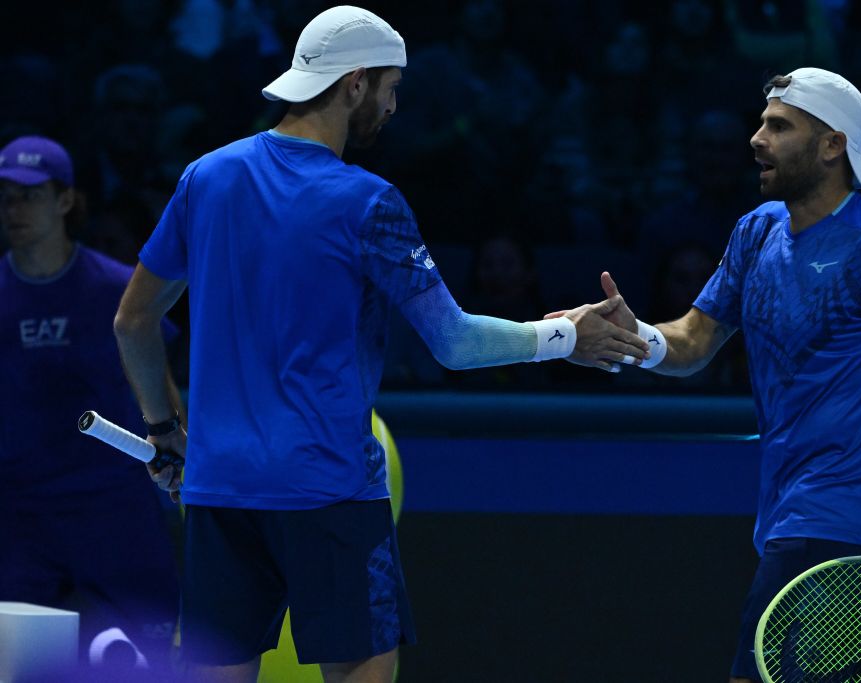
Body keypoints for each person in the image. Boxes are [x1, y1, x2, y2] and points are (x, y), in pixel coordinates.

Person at [111, 7, 648, 683]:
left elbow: (132, 322)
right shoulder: (369, 202)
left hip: (221, 495)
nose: (394, 106)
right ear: (356, 83)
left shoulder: (205, 179)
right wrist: (564, 335)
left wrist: (163, 428)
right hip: (330, 493)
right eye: (392, 87)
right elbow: (453, 342)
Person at [571, 68, 861, 682]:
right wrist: (633, 339)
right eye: (762, 122)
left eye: (779, 126)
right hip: (782, 519)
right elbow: (694, 340)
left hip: (841, 529)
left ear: (833, 145)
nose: (756, 139)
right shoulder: (756, 231)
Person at [0, 135, 181, 676]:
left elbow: (164, 387)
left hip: (116, 511)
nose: (14, 208)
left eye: (30, 195)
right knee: (23, 669)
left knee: (146, 666)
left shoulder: (118, 291)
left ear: (64, 202)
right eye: (6, 195)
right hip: (20, 517)